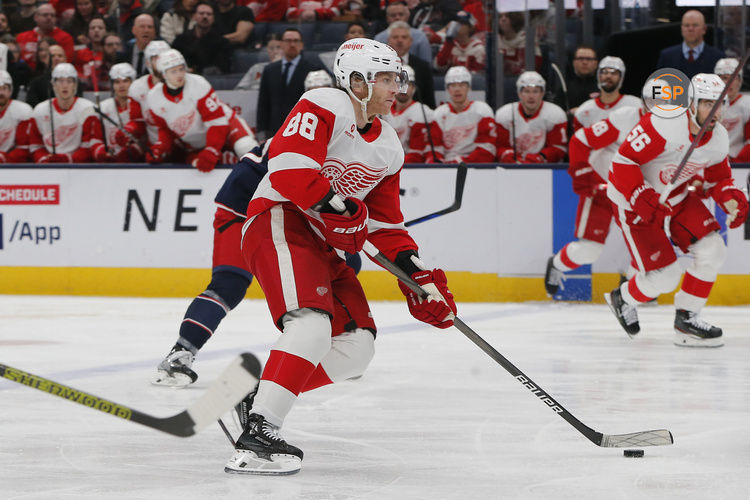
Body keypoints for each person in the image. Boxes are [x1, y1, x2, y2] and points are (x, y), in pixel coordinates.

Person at [224, 37, 457, 476]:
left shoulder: (389, 145)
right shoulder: (324, 103)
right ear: (356, 80)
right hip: (279, 220)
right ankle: (259, 434)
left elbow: (386, 227)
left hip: (319, 242)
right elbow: (290, 169)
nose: (396, 87)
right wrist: (340, 207)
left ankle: (258, 398)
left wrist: (419, 279)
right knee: (311, 324)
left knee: (355, 348)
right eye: (385, 78)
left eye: (396, 78)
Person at [604, 73, 748, 347]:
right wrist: (641, 196)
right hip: (632, 202)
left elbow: (719, 178)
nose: (715, 112)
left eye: (720, 105)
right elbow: (622, 163)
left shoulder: (717, 138)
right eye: (708, 104)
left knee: (713, 250)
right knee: (665, 278)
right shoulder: (664, 122)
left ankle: (687, 319)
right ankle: (623, 298)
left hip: (677, 199)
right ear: (691, 103)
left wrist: (730, 198)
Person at [544, 95, 648, 296]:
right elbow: (581, 140)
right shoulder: (625, 117)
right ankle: (557, 264)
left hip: (638, 193)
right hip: (603, 187)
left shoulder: (675, 126)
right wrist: (583, 173)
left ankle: (633, 289)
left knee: (646, 247)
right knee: (589, 250)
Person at [145, 49, 257, 169]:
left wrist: (212, 149)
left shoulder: (198, 84)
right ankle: (227, 158)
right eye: (173, 71)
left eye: (181, 69)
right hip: (196, 144)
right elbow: (165, 130)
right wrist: (160, 148)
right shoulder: (154, 97)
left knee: (245, 147)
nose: (179, 74)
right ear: (163, 74)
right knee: (196, 165)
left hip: (227, 127)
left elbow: (217, 121)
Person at [27, 62, 106, 162]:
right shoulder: (40, 110)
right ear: (53, 84)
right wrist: (44, 160)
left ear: (75, 84)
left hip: (78, 169)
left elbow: (88, 146)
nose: (65, 86)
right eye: (60, 81)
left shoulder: (88, 109)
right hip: (48, 168)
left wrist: (68, 160)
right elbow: (35, 146)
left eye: (69, 81)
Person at [256, 28, 324, 140]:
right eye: (288, 41)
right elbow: (263, 104)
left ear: (301, 45)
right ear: (281, 44)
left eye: (296, 41)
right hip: (274, 131)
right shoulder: (269, 70)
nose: (292, 44)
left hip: (302, 131)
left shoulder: (313, 70)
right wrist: (262, 134)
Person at [495, 70, 567, 164]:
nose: (531, 96)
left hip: (545, 169)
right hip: (512, 169)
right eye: (526, 91)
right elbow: (500, 147)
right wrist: (510, 158)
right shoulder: (504, 114)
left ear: (542, 93)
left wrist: (539, 158)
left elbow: (558, 148)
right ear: (519, 93)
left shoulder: (555, 114)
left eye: (535, 91)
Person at [430, 65, 495, 163]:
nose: (457, 89)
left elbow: (487, 150)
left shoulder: (482, 111)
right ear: (447, 89)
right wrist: (439, 163)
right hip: (445, 168)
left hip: (474, 168)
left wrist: (460, 162)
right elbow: (434, 148)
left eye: (462, 85)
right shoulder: (439, 114)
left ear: (469, 87)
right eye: (453, 85)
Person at [381, 64, 438, 163]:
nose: (404, 89)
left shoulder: (422, 112)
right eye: (399, 84)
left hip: (409, 167)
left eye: (408, 84)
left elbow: (416, 154)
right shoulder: (381, 109)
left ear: (414, 87)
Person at [571, 56, 640, 131]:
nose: (608, 76)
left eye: (614, 73)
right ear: (598, 76)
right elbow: (577, 141)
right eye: (604, 72)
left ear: (621, 78)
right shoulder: (584, 110)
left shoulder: (636, 105)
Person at [125, 39, 170, 148]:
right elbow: (138, 122)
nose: (161, 62)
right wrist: (129, 131)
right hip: (154, 148)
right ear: (148, 62)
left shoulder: (183, 83)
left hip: (182, 147)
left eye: (165, 58)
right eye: (156, 58)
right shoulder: (138, 87)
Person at [655, 10, 724, 79]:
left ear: (704, 29)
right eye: (686, 25)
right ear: (682, 29)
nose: (690, 29)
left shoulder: (718, 58)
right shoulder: (667, 57)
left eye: (695, 25)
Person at [98, 62, 144, 162]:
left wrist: (134, 150)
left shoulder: (141, 106)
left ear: (133, 82)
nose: (121, 86)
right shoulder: (103, 107)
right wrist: (102, 152)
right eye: (117, 82)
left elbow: (145, 138)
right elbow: (97, 139)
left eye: (125, 81)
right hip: (110, 164)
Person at [172, 1, 231, 75]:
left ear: (213, 18)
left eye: (209, 14)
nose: (205, 16)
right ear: (194, 16)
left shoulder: (222, 42)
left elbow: (223, 68)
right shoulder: (181, 40)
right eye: (201, 13)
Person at [387, 20, 435, 108]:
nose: (400, 40)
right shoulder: (379, 65)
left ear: (410, 41)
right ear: (388, 40)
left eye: (404, 37)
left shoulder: (423, 67)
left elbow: (429, 100)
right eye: (395, 37)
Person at [16, 4, 74, 71]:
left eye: (52, 15)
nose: (49, 18)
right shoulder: (22, 37)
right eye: (45, 15)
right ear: (35, 17)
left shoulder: (66, 38)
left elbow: (66, 62)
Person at [713, 58, 750, 162]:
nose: (728, 82)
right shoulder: (705, 105)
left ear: (740, 80)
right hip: (710, 163)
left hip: (739, 166)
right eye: (724, 78)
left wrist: (735, 161)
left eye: (733, 78)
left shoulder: (747, 105)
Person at [0, 69, 33, 162]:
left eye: (4, 88)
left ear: (10, 91)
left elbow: (23, 149)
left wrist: (3, 158)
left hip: (12, 167)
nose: (1, 93)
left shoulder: (22, 111)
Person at [564, 46, 599, 115]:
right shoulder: (565, 88)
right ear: (574, 63)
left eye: (589, 59)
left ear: (596, 63)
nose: (585, 62)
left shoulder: (605, 88)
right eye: (580, 58)